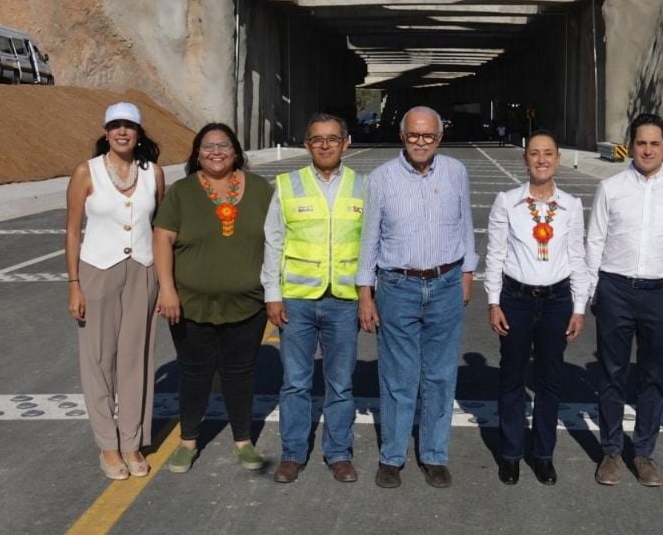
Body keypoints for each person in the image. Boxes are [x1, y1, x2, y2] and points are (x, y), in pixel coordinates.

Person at [357, 105, 477, 489]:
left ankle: (434, 454)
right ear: (402, 136)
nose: (421, 142)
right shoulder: (381, 179)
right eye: (414, 135)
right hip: (397, 286)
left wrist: (468, 272)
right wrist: (365, 293)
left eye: (428, 136)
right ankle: (392, 456)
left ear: (439, 138)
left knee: (441, 375)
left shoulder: (456, 172)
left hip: (445, 282)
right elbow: (369, 240)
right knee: (398, 376)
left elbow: (465, 225)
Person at [152, 123, 274, 475]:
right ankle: (189, 440)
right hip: (190, 304)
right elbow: (162, 240)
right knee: (193, 374)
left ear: (236, 151)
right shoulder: (183, 192)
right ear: (197, 153)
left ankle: (243, 439)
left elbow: (278, 239)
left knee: (240, 374)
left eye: (223, 145)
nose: (216, 151)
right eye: (208, 146)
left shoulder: (260, 189)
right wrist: (167, 289)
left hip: (249, 303)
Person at [585, 113, 663, 487]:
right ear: (630, 145)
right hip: (616, 289)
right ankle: (612, 452)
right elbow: (595, 242)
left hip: (660, 293)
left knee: (652, 377)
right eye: (640, 142)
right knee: (612, 374)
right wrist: (592, 291)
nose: (647, 149)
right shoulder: (611, 188)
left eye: (655, 143)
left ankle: (644, 454)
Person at [261, 113, 366, 484]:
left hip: (344, 299)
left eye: (332, 139)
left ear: (345, 143)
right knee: (295, 381)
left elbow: (371, 246)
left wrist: (368, 296)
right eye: (317, 139)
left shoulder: (362, 186)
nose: (325, 145)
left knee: (340, 382)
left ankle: (338, 453)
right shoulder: (288, 185)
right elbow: (274, 241)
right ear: (307, 145)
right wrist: (272, 294)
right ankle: (293, 453)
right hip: (297, 300)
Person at [64, 102, 166, 481]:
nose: (122, 132)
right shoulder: (85, 172)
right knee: (98, 359)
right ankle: (108, 445)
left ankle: (132, 441)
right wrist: (74, 284)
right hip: (97, 271)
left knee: (136, 360)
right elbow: (73, 231)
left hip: (142, 271)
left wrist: (165, 283)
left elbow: (160, 229)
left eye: (130, 126)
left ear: (140, 133)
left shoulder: (153, 173)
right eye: (115, 126)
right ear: (106, 131)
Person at [483, 129, 591, 486]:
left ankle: (543, 454)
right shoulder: (507, 202)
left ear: (558, 159)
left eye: (548, 153)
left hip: (557, 301)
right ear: (525, 158)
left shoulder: (572, 206)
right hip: (516, 300)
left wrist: (578, 307)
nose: (541, 160)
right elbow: (496, 254)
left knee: (550, 380)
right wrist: (494, 302)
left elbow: (577, 257)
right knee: (512, 378)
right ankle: (511, 453)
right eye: (534, 153)